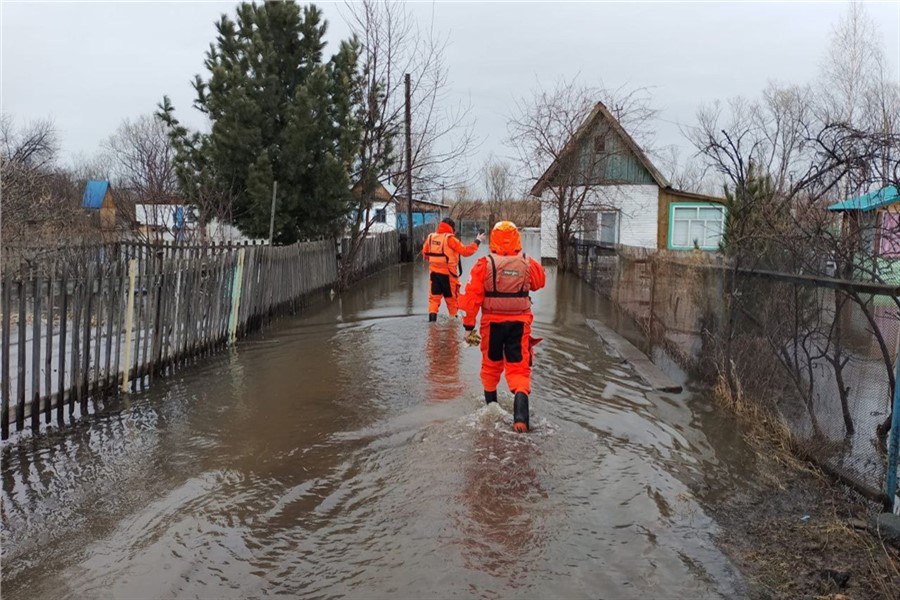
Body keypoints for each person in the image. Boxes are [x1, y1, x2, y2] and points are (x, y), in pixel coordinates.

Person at [459, 221, 546, 432]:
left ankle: (491, 410)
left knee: (490, 367)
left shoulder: (484, 264)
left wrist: (469, 327)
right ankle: (521, 421)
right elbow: (539, 282)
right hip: (519, 324)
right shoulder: (528, 262)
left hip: (492, 325)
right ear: (517, 238)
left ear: (493, 239)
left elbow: (472, 299)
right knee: (519, 371)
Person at [422, 217, 484, 321]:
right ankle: (453, 330)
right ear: (452, 228)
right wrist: (478, 241)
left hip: (434, 275)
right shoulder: (450, 239)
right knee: (452, 302)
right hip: (449, 275)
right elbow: (466, 251)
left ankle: (432, 327)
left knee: (434, 300)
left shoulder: (431, 237)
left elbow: (425, 254)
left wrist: (436, 264)